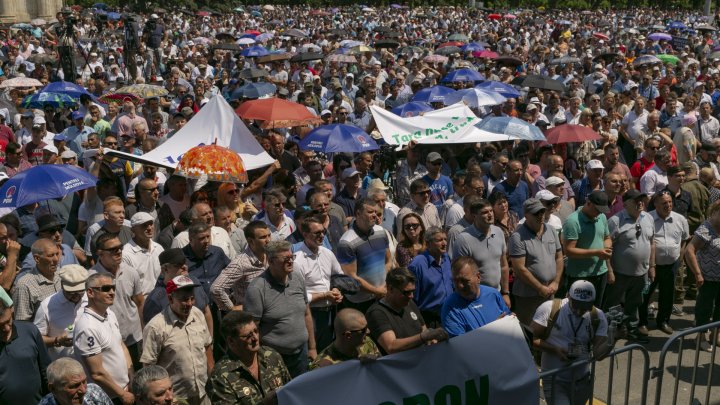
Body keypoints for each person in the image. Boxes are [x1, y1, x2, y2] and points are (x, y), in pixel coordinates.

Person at [530, 281, 613, 405]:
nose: (579, 311)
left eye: (585, 307)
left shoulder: (598, 316)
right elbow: (531, 338)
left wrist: (613, 338)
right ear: (568, 296)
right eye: (576, 305)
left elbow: (598, 354)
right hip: (554, 380)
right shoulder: (549, 308)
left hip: (582, 382)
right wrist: (554, 350)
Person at [245, 240, 316, 377]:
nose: (290, 262)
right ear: (271, 262)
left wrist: (312, 347)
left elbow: (306, 313)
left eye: (292, 258)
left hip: (302, 353)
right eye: (285, 259)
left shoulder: (297, 277)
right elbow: (252, 329)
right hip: (274, 359)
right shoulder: (257, 289)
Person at [141, 275, 213, 405]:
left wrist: (212, 378)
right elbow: (149, 368)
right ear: (170, 298)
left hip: (203, 393)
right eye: (184, 300)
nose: (189, 304)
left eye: (192, 298)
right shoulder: (156, 327)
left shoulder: (197, 314)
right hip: (176, 399)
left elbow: (207, 347)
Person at [73, 273, 134, 405]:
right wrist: (122, 394)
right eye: (106, 288)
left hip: (124, 390)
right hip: (107, 398)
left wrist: (131, 377)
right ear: (90, 292)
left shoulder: (110, 314)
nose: (112, 292)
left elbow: (121, 345)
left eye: (113, 288)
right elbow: (97, 373)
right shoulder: (87, 327)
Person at [207, 311, 291, 404]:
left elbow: (290, 391)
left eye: (256, 331)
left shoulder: (271, 356)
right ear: (231, 341)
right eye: (248, 336)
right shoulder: (220, 377)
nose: (255, 338)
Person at [605, 189, 655, 343]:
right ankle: (611, 332)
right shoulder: (615, 221)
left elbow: (652, 243)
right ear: (625, 204)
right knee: (613, 304)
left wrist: (652, 266)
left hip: (641, 272)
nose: (640, 203)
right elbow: (607, 248)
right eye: (635, 201)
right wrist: (610, 270)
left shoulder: (648, 217)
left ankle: (631, 330)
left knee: (634, 303)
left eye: (641, 200)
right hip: (620, 273)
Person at [639, 191, 689, 335]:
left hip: (672, 265)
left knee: (667, 295)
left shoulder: (680, 219)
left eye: (670, 202)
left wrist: (680, 258)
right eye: (664, 203)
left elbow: (685, 239)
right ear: (655, 204)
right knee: (645, 295)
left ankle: (663, 321)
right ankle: (642, 323)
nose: (668, 205)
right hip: (651, 265)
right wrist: (650, 264)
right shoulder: (647, 219)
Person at [366, 267, 448, 354]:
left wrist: (431, 340)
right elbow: (391, 346)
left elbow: (424, 329)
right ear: (390, 289)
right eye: (406, 292)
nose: (411, 296)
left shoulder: (409, 303)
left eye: (413, 291)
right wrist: (422, 337)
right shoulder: (377, 313)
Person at [509, 199, 564, 327]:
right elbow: (519, 268)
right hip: (528, 296)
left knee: (548, 327)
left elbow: (559, 257)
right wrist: (540, 288)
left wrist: (556, 282)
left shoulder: (551, 230)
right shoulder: (517, 237)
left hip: (550, 290)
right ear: (526, 215)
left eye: (542, 211)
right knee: (530, 329)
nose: (540, 215)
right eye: (536, 213)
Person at [293, 217, 344, 351]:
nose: (322, 236)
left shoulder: (327, 253)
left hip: (331, 313)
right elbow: (298, 296)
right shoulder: (297, 261)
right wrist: (324, 296)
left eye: (323, 232)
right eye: (317, 233)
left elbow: (338, 276)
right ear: (305, 234)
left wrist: (336, 289)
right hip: (312, 315)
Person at [450, 199, 511, 306]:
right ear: (474, 216)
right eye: (484, 212)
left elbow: (503, 265)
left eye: (491, 211)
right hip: (475, 299)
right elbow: (460, 275)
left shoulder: (498, 232)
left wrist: (505, 292)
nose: (490, 215)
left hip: (497, 294)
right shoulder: (463, 239)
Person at [337, 199, 391, 313]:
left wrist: (383, 287)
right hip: (360, 302)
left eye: (376, 212)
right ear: (358, 214)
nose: (375, 215)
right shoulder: (346, 242)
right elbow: (351, 277)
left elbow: (388, 261)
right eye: (370, 212)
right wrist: (377, 291)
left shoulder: (381, 231)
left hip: (383, 294)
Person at [0, 285, 51, 403]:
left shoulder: (29, 331)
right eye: (0, 325)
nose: (7, 328)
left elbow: (46, 370)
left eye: (8, 321)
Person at [562, 190, 612, 306]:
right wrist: (597, 252)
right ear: (588, 203)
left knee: (596, 309)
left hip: (600, 272)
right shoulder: (573, 221)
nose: (599, 213)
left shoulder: (602, 217)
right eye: (597, 210)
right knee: (578, 309)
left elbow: (607, 237)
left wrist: (607, 246)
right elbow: (569, 251)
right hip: (580, 276)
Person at [441, 257, 510, 338]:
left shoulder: (493, 294)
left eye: (465, 281)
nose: (460, 286)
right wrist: (495, 329)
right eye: (456, 281)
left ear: (478, 277)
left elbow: (508, 320)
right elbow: (461, 345)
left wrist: (511, 319)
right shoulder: (450, 308)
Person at [210, 221, 271, 312]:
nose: (268, 240)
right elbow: (216, 289)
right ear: (251, 241)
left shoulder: (271, 256)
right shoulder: (240, 263)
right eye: (263, 237)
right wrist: (233, 309)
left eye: (269, 235)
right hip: (252, 318)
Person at [685, 200, 720, 351]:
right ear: (715, 212)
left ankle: (716, 334)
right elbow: (689, 250)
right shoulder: (706, 229)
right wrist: (698, 273)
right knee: (704, 309)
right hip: (707, 278)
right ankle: (700, 337)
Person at [34, 264, 88, 361]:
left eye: (80, 291)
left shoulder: (92, 300)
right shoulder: (47, 306)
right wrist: (57, 340)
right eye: (71, 292)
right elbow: (37, 338)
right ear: (62, 284)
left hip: (89, 363)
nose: (76, 296)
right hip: (62, 366)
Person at [407, 227, 453, 327]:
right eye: (439, 240)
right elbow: (411, 299)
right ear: (428, 244)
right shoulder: (417, 265)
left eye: (445, 239)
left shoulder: (446, 258)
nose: (444, 243)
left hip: (450, 313)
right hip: (430, 320)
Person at [310, 308, 381, 369]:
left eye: (367, 326)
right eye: (363, 330)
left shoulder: (366, 342)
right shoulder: (323, 367)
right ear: (348, 335)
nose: (368, 331)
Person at [13, 238, 61, 321]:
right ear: (37, 259)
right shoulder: (24, 286)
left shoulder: (62, 275)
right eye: (50, 255)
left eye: (57, 254)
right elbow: (23, 325)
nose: (56, 259)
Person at [39, 357, 113, 405]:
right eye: (74, 386)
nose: (83, 391)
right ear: (53, 388)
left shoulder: (94, 392)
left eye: (84, 382)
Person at [122, 212, 164, 295]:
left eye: (151, 224)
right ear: (133, 229)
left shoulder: (159, 248)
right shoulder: (126, 254)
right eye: (144, 225)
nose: (149, 228)